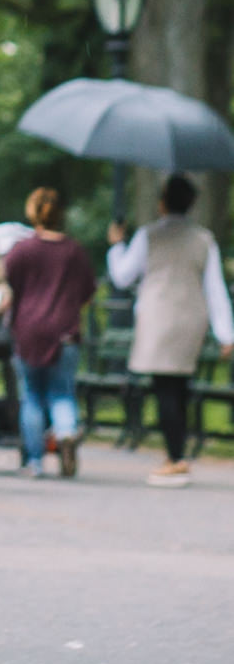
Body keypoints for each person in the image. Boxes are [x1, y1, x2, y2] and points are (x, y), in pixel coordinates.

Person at [106, 175, 234, 488]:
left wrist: (116, 246)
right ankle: (176, 453)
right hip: (191, 317)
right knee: (180, 386)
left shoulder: (148, 235)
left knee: (164, 387)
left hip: (157, 316)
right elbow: (214, 287)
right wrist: (225, 333)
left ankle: (175, 457)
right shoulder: (204, 239)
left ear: (163, 201)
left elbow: (123, 276)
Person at [0, 184, 94, 478]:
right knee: (62, 393)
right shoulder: (75, 252)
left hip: (28, 331)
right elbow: (87, 291)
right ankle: (65, 433)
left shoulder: (22, 250)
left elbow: (6, 285)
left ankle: (34, 461)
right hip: (66, 332)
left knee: (33, 395)